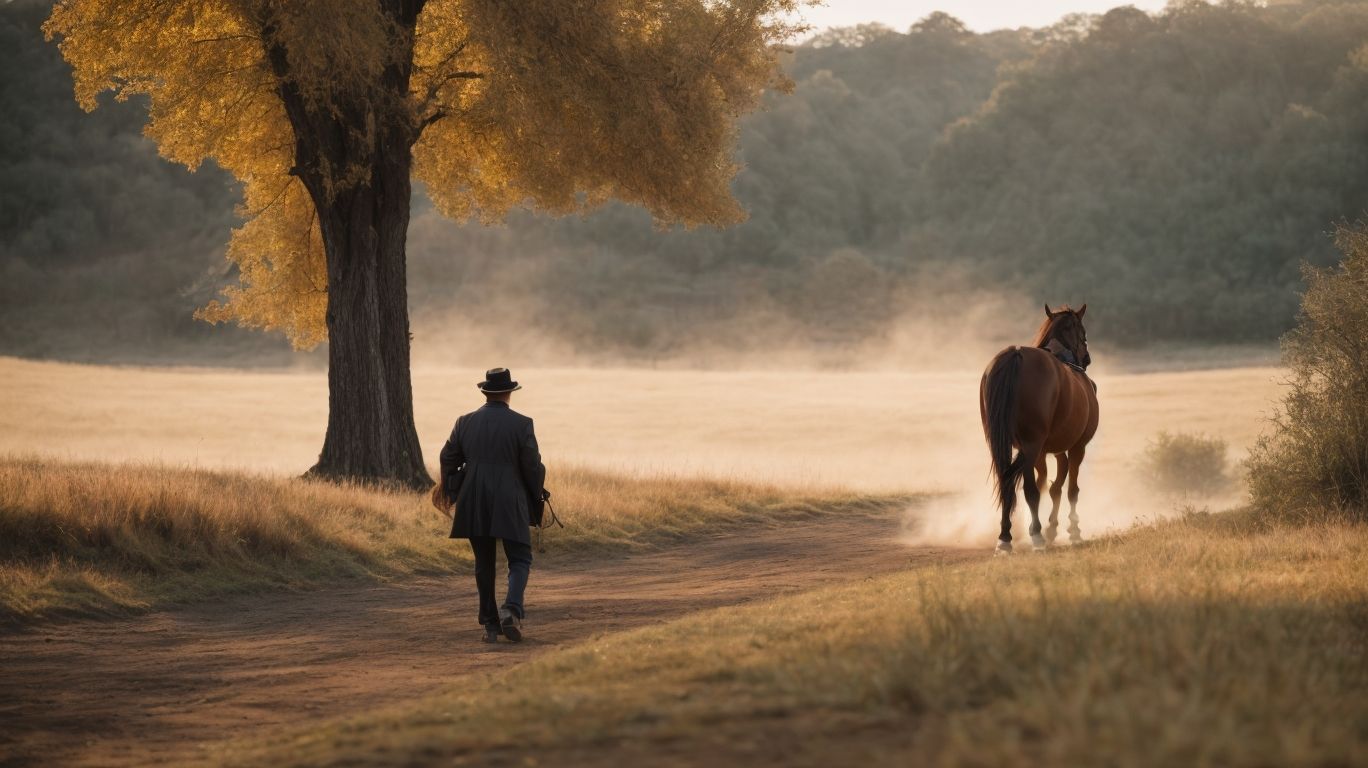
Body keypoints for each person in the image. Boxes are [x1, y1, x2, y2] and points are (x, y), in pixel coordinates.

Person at [439, 367, 547, 643]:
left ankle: (490, 625)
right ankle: (511, 608)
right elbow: (532, 467)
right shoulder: (523, 424)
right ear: (509, 393)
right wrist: (536, 496)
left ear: (485, 392)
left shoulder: (464, 422)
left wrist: (452, 488)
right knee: (520, 558)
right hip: (510, 499)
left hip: (474, 499)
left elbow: (447, 457)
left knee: (483, 563)